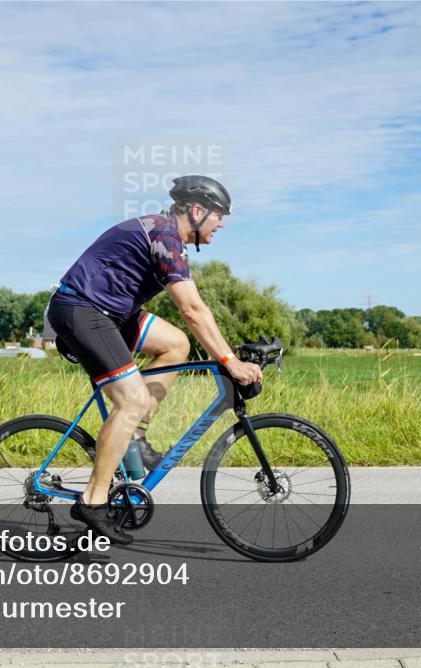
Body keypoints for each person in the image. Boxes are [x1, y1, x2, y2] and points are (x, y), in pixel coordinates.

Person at [46, 175, 263, 544]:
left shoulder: (167, 235)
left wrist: (228, 355)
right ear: (196, 211)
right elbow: (193, 308)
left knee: (175, 345)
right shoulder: (165, 237)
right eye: (219, 215)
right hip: (82, 310)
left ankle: (137, 435)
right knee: (132, 399)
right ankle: (92, 500)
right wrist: (230, 361)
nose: (221, 223)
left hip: (112, 313)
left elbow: (192, 319)